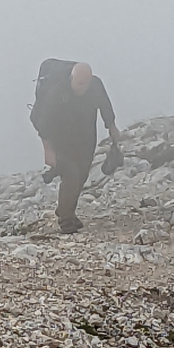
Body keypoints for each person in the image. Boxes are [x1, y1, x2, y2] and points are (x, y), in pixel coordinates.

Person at [33, 62, 120, 233]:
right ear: (71, 78)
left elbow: (105, 106)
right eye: (80, 83)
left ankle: (67, 210)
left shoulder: (95, 86)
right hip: (60, 140)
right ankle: (66, 221)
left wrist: (112, 127)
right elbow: (43, 123)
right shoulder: (57, 91)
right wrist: (48, 150)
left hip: (86, 138)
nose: (84, 87)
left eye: (86, 83)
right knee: (71, 175)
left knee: (82, 175)